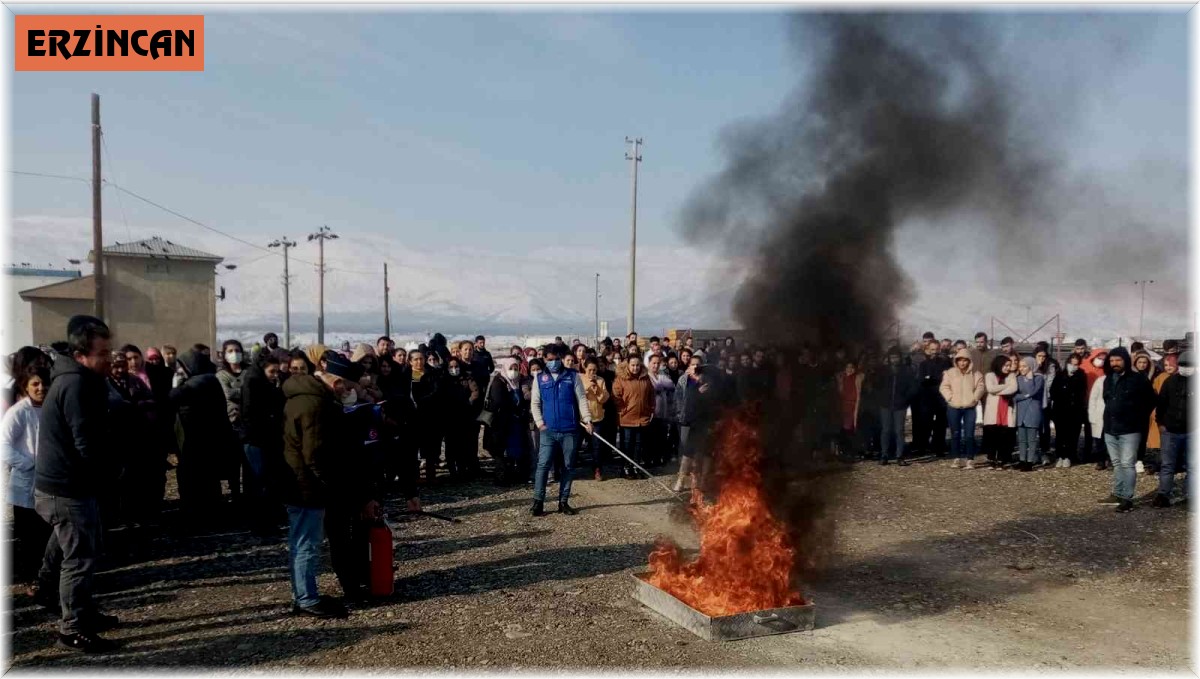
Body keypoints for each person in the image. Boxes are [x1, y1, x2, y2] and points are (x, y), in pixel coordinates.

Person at [33, 315, 120, 652]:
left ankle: (74, 607)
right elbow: (87, 443)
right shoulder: (76, 384)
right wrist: (110, 476)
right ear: (82, 354)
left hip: (68, 486)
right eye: (103, 353)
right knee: (80, 558)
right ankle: (72, 628)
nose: (109, 359)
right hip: (67, 489)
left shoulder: (81, 379)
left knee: (68, 550)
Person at [279, 355, 351, 619]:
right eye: (341, 384)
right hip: (306, 485)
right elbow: (314, 453)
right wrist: (326, 482)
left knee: (301, 541)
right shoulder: (316, 405)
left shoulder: (298, 398)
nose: (345, 390)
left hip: (297, 480)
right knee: (306, 543)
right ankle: (307, 598)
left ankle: (304, 592)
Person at [172, 348, 239, 524]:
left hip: (200, 439)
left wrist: (175, 387)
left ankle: (199, 517)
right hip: (210, 438)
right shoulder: (209, 379)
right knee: (208, 480)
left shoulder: (199, 382)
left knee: (196, 479)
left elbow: (173, 398)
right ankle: (210, 514)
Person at [3, 365, 51, 584]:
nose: (41, 388)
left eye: (44, 383)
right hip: (25, 485)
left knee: (47, 535)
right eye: (35, 384)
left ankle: (47, 578)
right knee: (29, 537)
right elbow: (4, 445)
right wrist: (29, 464)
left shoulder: (52, 408)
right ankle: (30, 578)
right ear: (26, 386)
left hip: (49, 483)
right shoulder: (18, 412)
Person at [529, 347, 592, 516]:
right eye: (549, 359)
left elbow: (581, 399)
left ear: (561, 358)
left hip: (570, 430)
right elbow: (535, 403)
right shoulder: (540, 378)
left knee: (568, 466)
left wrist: (587, 419)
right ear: (544, 359)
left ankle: (563, 501)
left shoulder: (572, 376)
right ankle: (538, 501)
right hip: (548, 431)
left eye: (556, 358)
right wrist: (540, 423)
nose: (553, 362)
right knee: (543, 465)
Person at [1098, 348, 1157, 513]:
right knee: (1116, 463)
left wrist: (1136, 416)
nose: (1115, 364)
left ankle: (1127, 499)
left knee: (1127, 464)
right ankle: (1117, 493)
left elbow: (1151, 400)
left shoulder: (1138, 379)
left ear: (1125, 360)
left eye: (1118, 360)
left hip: (1130, 429)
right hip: (1110, 428)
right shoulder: (1108, 379)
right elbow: (1107, 399)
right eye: (1112, 361)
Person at [240, 350, 286, 537]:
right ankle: (262, 524)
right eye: (272, 372)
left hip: (261, 439)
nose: (275, 375)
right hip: (257, 440)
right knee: (260, 483)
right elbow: (253, 415)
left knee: (262, 482)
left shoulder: (260, 383)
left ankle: (264, 522)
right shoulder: (254, 384)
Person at [1152, 351, 1192, 507]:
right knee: (1167, 464)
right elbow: (1161, 404)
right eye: (1182, 365)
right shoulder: (1170, 382)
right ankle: (1163, 494)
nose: (1185, 368)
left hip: (1192, 431)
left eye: (1189, 365)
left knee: (1193, 465)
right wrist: (1160, 423)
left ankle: (1191, 495)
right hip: (1170, 430)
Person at [484, 359, 529, 485]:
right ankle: (501, 478)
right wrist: (513, 409)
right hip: (501, 423)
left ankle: (514, 474)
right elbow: (499, 401)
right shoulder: (499, 381)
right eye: (511, 368)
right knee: (501, 451)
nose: (513, 372)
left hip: (515, 423)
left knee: (514, 449)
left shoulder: (518, 382)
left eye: (516, 368)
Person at [216, 340, 250, 501]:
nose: (234, 353)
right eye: (230, 350)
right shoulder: (221, 374)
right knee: (233, 465)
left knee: (249, 464)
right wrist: (245, 392)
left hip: (248, 424)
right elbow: (227, 394)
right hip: (231, 424)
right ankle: (235, 495)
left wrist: (239, 392)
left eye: (237, 350)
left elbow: (254, 391)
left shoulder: (249, 372)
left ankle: (250, 497)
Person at [940, 349, 985, 469]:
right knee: (955, 433)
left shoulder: (976, 374)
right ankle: (956, 458)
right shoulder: (950, 372)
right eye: (960, 360)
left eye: (965, 360)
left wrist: (974, 399)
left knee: (969, 434)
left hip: (969, 408)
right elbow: (944, 387)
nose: (962, 363)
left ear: (969, 361)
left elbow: (980, 387)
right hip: (954, 407)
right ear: (956, 361)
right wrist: (950, 397)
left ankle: (970, 459)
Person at [613, 354, 656, 477]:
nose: (635, 368)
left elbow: (651, 395)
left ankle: (637, 466)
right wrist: (622, 409)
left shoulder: (645, 378)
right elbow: (616, 395)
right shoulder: (621, 378)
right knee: (627, 444)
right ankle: (626, 466)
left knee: (639, 444)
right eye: (633, 365)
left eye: (637, 365)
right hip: (627, 417)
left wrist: (651, 409)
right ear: (628, 365)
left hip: (642, 417)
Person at [876, 348, 917, 465]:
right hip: (885, 404)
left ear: (900, 358)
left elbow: (913, 387)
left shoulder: (906, 370)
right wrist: (881, 398)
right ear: (888, 358)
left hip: (901, 405)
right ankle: (884, 455)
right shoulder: (883, 371)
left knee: (899, 430)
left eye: (896, 357)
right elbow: (876, 386)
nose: (894, 360)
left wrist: (905, 399)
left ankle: (900, 456)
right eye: (892, 357)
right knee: (886, 430)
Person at [444, 356, 482, 480]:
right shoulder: (444, 379)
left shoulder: (467, 378)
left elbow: (475, 391)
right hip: (449, 417)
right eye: (451, 367)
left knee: (463, 445)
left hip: (464, 416)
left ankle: (462, 471)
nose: (454, 369)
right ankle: (452, 472)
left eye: (456, 366)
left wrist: (468, 402)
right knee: (450, 447)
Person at [914, 340, 950, 457]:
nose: (934, 352)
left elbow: (945, 378)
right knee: (925, 423)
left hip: (941, 398)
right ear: (928, 350)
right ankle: (922, 447)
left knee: (941, 424)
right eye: (932, 350)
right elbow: (921, 380)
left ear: (939, 349)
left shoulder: (945, 363)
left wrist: (930, 378)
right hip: (927, 398)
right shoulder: (923, 364)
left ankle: (938, 447)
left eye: (936, 349)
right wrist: (934, 378)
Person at [1051, 354, 1088, 467]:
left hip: (1075, 410)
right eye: (1072, 363)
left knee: (1072, 435)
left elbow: (1081, 392)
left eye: (1076, 364)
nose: (1073, 366)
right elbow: (1053, 391)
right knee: (1061, 434)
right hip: (1060, 409)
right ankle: (1060, 456)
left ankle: (1069, 456)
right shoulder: (1060, 374)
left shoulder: (1081, 375)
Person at [982, 355, 1018, 469]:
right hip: (993, 410)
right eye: (1006, 365)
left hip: (1006, 408)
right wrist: (1006, 385)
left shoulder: (1011, 375)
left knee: (1005, 435)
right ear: (999, 364)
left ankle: (1003, 459)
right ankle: (991, 458)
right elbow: (990, 388)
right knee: (992, 435)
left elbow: (1014, 388)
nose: (1008, 368)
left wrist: (998, 391)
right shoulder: (990, 375)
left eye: (1009, 365)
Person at [581, 358, 611, 481]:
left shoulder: (600, 380)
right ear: (585, 368)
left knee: (597, 446)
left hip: (597, 417)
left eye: (594, 370)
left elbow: (604, 399)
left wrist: (597, 389)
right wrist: (588, 386)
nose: (592, 372)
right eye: (590, 370)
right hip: (582, 418)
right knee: (576, 444)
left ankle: (597, 469)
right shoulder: (579, 378)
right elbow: (578, 395)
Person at [1014, 356, 1045, 472]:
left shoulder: (1038, 378)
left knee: (1031, 439)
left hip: (1033, 411)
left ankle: (1030, 461)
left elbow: (1033, 391)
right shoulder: (1018, 379)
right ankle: (1022, 459)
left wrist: (1030, 379)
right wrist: (1025, 396)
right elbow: (1015, 396)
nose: (1021, 368)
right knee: (1021, 439)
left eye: (1024, 366)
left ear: (1031, 367)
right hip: (1021, 411)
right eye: (1020, 366)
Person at [647, 354, 677, 468]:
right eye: (653, 363)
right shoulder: (646, 376)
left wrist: (660, 385)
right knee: (651, 438)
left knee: (661, 437)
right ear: (649, 364)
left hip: (663, 412)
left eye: (657, 363)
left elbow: (671, 385)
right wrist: (660, 386)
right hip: (651, 413)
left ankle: (658, 458)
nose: (655, 365)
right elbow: (652, 388)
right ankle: (649, 459)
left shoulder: (662, 375)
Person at [1082, 348, 1110, 469]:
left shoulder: (1105, 372)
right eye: (1099, 358)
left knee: (1102, 433)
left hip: (1101, 405)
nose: (1101, 361)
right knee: (1090, 431)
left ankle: (1104, 457)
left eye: (1104, 359)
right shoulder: (1084, 367)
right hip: (1086, 401)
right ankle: (1087, 453)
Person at [835, 360, 865, 459]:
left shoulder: (857, 378)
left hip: (853, 406)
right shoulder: (841, 378)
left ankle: (852, 451)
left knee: (851, 429)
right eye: (848, 367)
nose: (850, 369)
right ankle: (845, 451)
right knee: (844, 429)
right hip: (843, 406)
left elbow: (858, 394)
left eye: (852, 367)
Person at [1034, 346, 1058, 464]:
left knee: (1044, 427)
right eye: (1039, 356)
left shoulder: (1050, 367)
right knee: (1033, 426)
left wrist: (1046, 398)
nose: (1042, 359)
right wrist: (1036, 367)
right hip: (1032, 401)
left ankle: (1044, 451)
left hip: (1045, 401)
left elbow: (1050, 383)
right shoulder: (1031, 366)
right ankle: (1033, 452)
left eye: (1044, 356)